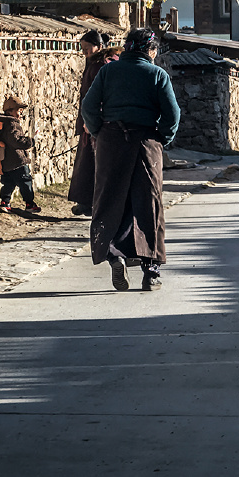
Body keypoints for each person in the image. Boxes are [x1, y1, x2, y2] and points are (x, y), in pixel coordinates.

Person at [82, 28, 180, 292]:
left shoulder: (107, 72)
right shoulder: (157, 74)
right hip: (145, 143)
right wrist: (161, 138)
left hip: (111, 142)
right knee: (148, 203)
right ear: (150, 50)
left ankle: (114, 255)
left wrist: (98, 132)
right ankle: (151, 272)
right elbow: (172, 115)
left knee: (110, 198)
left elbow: (88, 107)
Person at [67, 29, 114, 216]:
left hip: (95, 122)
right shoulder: (95, 63)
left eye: (88, 48)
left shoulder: (101, 65)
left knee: (94, 165)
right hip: (90, 120)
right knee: (87, 164)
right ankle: (86, 202)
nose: (85, 52)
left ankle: (92, 203)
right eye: (83, 48)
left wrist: (92, 120)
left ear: (99, 46)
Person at [0, 95, 42, 213]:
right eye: (18, 111)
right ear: (10, 111)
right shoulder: (11, 124)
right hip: (17, 159)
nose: (20, 114)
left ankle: (5, 201)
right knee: (25, 181)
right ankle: (30, 203)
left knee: (9, 182)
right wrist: (31, 141)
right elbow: (16, 140)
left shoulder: (0, 124)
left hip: (6, 159)